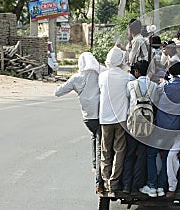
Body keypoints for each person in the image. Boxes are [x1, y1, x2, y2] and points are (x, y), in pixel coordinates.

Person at [54, 52, 105, 192]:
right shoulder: (102, 73)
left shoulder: (77, 78)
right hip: (101, 116)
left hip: (88, 118)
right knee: (101, 146)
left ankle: (95, 166)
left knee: (94, 137)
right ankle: (99, 181)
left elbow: (57, 92)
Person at [142, 62, 180, 198]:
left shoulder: (164, 85)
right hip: (174, 127)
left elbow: (155, 96)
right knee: (167, 156)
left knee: (151, 154)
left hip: (160, 125)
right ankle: (162, 186)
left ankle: (152, 184)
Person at [98, 46, 134, 192]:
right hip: (121, 119)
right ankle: (114, 181)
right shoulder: (128, 77)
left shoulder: (102, 76)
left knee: (106, 151)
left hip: (105, 119)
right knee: (119, 151)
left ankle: (106, 181)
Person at [124, 60, 158, 195]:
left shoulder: (131, 84)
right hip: (147, 126)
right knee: (142, 155)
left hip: (133, 124)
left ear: (136, 72)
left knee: (129, 154)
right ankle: (137, 185)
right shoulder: (154, 86)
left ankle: (127, 184)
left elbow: (128, 98)